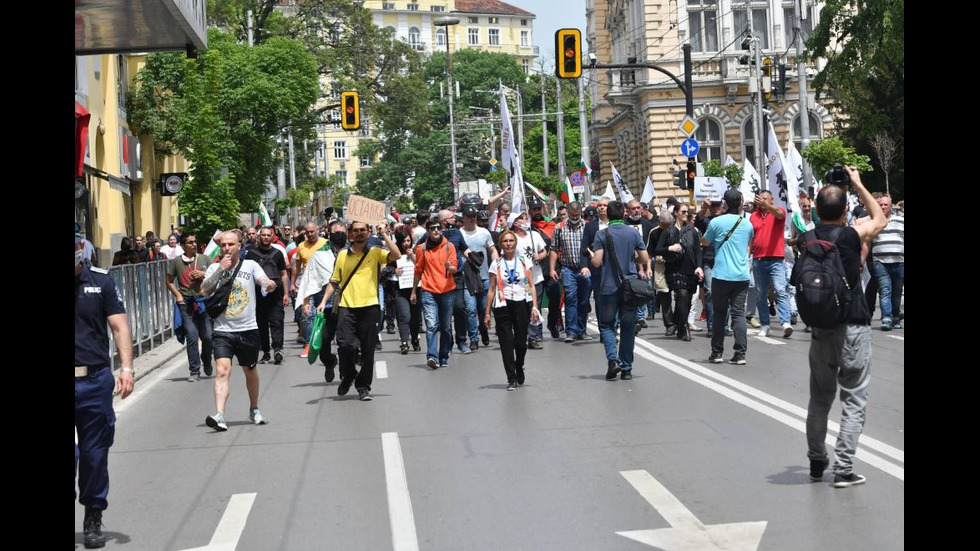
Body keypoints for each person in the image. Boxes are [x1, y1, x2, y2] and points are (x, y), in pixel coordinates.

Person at [802, 167, 886, 488]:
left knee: (819, 398)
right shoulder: (851, 235)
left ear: (817, 209)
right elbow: (879, 218)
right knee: (853, 399)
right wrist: (858, 183)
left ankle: (815, 461)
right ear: (844, 208)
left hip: (821, 326)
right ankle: (844, 468)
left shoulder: (809, 238)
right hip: (853, 326)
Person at [76, 226, 135, 549]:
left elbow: (119, 325)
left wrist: (126, 368)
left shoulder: (100, 282)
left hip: (94, 380)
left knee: (94, 454)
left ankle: (93, 514)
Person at [201, 231, 278, 431]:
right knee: (221, 371)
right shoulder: (213, 267)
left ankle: (254, 408)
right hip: (222, 330)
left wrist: (268, 284)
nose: (226, 248)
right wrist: (220, 270)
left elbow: (262, 280)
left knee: (250, 370)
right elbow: (204, 290)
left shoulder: (250, 265)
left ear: (239, 245)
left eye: (231, 244)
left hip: (248, 329)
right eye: (224, 245)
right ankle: (219, 415)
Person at [316, 221, 400, 401]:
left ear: (368, 233)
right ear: (350, 234)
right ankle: (349, 374)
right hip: (346, 306)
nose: (360, 233)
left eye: (363, 230)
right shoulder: (342, 255)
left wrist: (384, 234)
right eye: (356, 231)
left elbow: (396, 254)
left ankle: (363, 386)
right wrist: (323, 301)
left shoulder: (376, 252)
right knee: (345, 345)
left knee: (368, 349)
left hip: (370, 307)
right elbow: (334, 281)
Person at [591, 201, 651, 381]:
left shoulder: (601, 234)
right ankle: (627, 368)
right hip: (630, 288)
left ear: (607, 215)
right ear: (624, 214)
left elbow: (597, 262)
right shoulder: (633, 232)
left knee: (607, 326)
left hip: (608, 288)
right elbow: (644, 257)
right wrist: (633, 258)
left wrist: (592, 255)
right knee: (628, 327)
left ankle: (612, 361)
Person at [702, 190, 754, 364]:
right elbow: (748, 246)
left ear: (724, 203)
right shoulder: (747, 224)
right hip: (741, 274)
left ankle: (717, 353)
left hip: (721, 274)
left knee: (719, 314)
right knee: (738, 314)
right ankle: (740, 354)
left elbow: (705, 242)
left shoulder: (716, 222)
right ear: (740, 202)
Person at [485, 230, 539, 390]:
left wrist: (535, 306)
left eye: (511, 241)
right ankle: (511, 377)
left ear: (515, 243)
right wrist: (487, 313)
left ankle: (519, 364)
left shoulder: (523, 261)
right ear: (501, 244)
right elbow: (492, 289)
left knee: (521, 343)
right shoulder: (496, 264)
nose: (508, 244)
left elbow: (531, 285)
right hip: (502, 305)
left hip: (521, 303)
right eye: (505, 241)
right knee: (506, 343)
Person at [300, 221, 349, 382]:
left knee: (345, 341)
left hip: (348, 305)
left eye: (342, 232)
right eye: (336, 232)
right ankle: (329, 362)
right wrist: (306, 301)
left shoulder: (354, 251)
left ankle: (345, 372)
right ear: (329, 233)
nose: (340, 235)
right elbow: (310, 278)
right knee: (324, 342)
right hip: (326, 305)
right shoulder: (320, 253)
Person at [166, 233, 214, 381]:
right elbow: (168, 281)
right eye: (190, 242)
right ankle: (194, 371)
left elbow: (215, 278)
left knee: (207, 336)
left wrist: (203, 274)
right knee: (192, 336)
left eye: (195, 241)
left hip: (203, 301)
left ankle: (206, 359)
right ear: (182, 245)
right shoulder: (176, 262)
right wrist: (177, 295)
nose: (194, 244)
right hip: (186, 302)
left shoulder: (205, 259)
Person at [412, 220, 459, 369]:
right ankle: (432, 356)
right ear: (428, 231)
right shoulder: (422, 248)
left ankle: (443, 356)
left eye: (439, 228)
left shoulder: (448, 246)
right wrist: (414, 291)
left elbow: (454, 269)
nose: (436, 231)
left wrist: (450, 267)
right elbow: (418, 270)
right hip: (428, 290)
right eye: (433, 228)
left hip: (447, 290)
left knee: (445, 327)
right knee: (432, 325)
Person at [656, 203, 704, 342]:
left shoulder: (692, 231)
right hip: (674, 269)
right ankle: (685, 327)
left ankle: (679, 324)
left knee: (687, 299)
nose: (686, 214)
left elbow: (697, 251)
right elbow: (657, 249)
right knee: (682, 294)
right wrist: (670, 248)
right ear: (675, 213)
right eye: (683, 211)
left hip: (690, 268)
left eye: (687, 211)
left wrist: (699, 267)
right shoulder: (668, 231)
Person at [750, 190, 794, 338]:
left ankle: (785, 322)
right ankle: (765, 325)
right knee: (761, 294)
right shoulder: (753, 216)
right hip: (758, 260)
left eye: (765, 199)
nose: (761, 202)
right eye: (759, 199)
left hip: (776, 259)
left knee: (780, 290)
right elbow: (751, 238)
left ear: (771, 200)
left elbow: (780, 215)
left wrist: (767, 207)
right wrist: (747, 257)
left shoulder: (777, 211)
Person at [549, 202, 593, 342]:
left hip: (585, 269)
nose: (574, 217)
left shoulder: (588, 226)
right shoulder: (560, 227)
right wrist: (552, 269)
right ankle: (571, 331)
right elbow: (554, 249)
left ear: (581, 212)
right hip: (568, 269)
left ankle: (582, 330)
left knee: (584, 300)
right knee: (570, 298)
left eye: (577, 214)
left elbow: (594, 247)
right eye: (572, 214)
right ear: (567, 212)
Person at [246, 227, 290, 365]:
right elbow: (247, 275)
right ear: (259, 237)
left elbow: (283, 274)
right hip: (258, 294)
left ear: (272, 237)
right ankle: (265, 352)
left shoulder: (277, 253)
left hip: (275, 293)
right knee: (261, 324)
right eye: (263, 235)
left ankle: (277, 349)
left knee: (277, 321)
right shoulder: (251, 254)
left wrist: (286, 293)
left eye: (268, 235)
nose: (265, 237)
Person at [459, 204, 499, 349]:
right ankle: (474, 338)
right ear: (463, 218)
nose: (471, 220)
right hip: (467, 278)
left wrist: (496, 266)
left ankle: (484, 330)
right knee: (470, 309)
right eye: (468, 217)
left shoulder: (484, 233)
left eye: (473, 217)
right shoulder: (459, 234)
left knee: (483, 308)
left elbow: (493, 250)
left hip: (484, 277)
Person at [511, 212, 548, 349]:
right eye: (523, 218)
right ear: (515, 222)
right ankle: (521, 335)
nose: (526, 220)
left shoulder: (535, 235)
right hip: (518, 280)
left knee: (534, 306)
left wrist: (539, 255)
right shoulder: (511, 238)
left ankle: (534, 337)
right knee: (521, 309)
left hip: (535, 277)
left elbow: (544, 251)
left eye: (527, 218)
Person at [292, 223, 328, 357]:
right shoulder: (301, 246)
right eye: (308, 232)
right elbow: (297, 266)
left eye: (313, 231)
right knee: (307, 315)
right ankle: (308, 344)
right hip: (308, 285)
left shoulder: (326, 244)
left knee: (325, 314)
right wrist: (293, 283)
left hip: (324, 284)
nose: (310, 234)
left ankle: (324, 341)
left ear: (317, 230)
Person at [870, 193, 904, 330]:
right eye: (881, 204)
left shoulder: (901, 220)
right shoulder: (874, 221)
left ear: (891, 207)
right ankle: (886, 318)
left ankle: (895, 317)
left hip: (899, 262)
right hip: (880, 262)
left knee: (896, 293)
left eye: (886, 204)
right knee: (885, 291)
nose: (883, 207)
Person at [392, 227, 422, 354]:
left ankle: (414, 338)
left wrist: (413, 256)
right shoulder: (394, 252)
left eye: (408, 240)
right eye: (403, 241)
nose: (406, 244)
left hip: (415, 288)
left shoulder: (416, 250)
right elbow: (384, 268)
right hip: (400, 289)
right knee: (404, 315)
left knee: (415, 317)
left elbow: (422, 266)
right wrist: (394, 271)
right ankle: (404, 342)